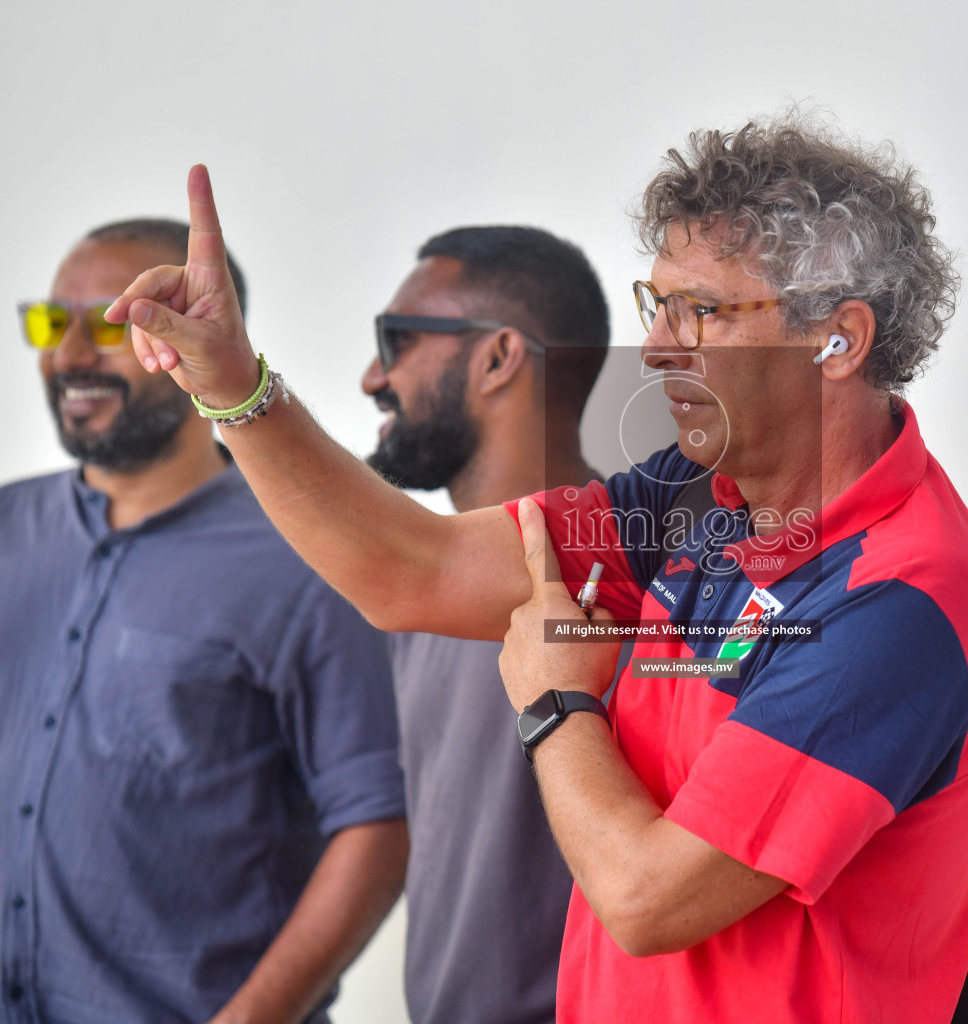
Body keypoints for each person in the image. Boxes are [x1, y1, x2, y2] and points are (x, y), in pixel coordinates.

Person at [107, 112, 968, 1023]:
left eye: (701, 310)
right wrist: (230, 385)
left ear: (839, 340)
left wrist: (555, 703)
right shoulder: (694, 497)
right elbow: (410, 572)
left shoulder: (902, 597)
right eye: (654, 304)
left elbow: (648, 899)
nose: (660, 346)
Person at [0, 219, 409, 1024]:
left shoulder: (302, 551)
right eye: (52, 323)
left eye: (110, 326)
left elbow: (378, 824)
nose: (70, 356)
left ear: (194, 342)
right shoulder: (0, 530)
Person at [362, 225, 608, 1024]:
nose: (373, 376)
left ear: (499, 357)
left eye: (396, 340)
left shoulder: (628, 583)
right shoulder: (408, 601)